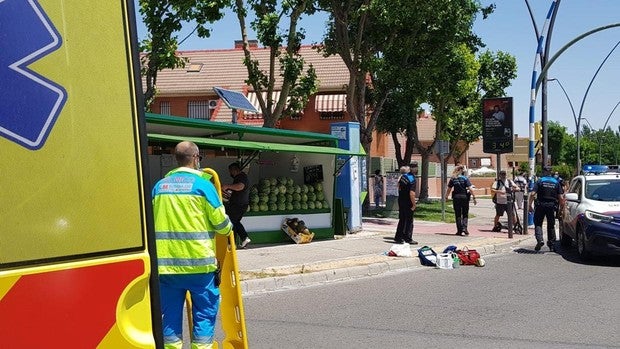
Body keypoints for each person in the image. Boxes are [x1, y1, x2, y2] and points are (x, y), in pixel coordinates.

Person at [152, 141, 233, 349]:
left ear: (175, 159)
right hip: (200, 266)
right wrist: (229, 227)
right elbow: (222, 226)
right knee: (204, 315)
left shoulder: (159, 187)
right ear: (196, 158)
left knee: (168, 316)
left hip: (166, 267)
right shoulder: (204, 186)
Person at [528, 166, 564, 252]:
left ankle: (540, 240)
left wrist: (529, 205)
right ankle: (551, 244)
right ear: (551, 172)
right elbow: (561, 197)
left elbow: (533, 193)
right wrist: (561, 208)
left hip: (540, 204)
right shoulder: (556, 182)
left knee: (538, 223)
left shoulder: (540, 181)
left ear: (543, 172)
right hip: (551, 206)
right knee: (551, 225)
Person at [221, 162, 251, 249]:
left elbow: (240, 187)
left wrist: (227, 186)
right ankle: (244, 238)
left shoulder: (241, 177)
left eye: (230, 171)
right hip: (240, 204)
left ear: (234, 170)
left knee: (231, 222)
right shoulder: (240, 177)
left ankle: (232, 243)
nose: (230, 173)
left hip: (238, 205)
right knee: (235, 222)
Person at [445, 165, 477, 236]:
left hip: (456, 197)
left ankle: (459, 230)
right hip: (464, 197)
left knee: (458, 214)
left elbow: (449, 189)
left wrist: (446, 197)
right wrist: (474, 197)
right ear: (461, 171)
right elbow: (470, 189)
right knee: (465, 213)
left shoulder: (453, 179)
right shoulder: (465, 178)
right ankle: (465, 229)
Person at [394, 165, 417, 244]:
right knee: (409, 220)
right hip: (408, 201)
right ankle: (408, 238)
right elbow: (412, 193)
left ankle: (398, 237)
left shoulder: (403, 177)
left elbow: (398, 186)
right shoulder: (412, 179)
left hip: (401, 200)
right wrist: (414, 204)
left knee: (402, 219)